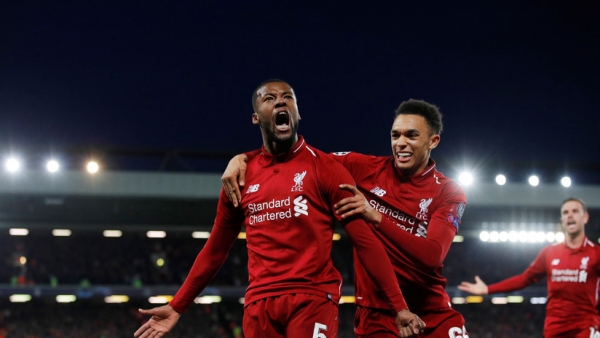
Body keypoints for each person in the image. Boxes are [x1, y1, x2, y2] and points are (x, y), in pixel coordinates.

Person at [134, 79, 425, 338]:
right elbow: (215, 249)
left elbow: (365, 242)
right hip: (259, 305)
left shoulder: (326, 169)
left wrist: (399, 307)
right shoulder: (240, 177)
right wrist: (178, 305)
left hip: (312, 299)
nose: (280, 101)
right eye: (269, 98)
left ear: (297, 113)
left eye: (288, 97)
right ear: (255, 117)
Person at [223, 99, 469, 337]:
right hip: (377, 314)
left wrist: (376, 216)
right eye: (396, 135)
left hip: (433, 310)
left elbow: (432, 255)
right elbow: (301, 157)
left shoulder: (448, 191)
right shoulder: (360, 167)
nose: (401, 143)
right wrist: (246, 158)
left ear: (433, 141)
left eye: (411, 135)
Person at [459, 197, 600, 337]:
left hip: (585, 326)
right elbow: (524, 279)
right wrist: (488, 289)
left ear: (585, 218)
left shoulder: (596, 253)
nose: (569, 215)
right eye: (565, 212)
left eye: (575, 211)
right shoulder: (550, 252)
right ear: (562, 220)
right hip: (554, 327)